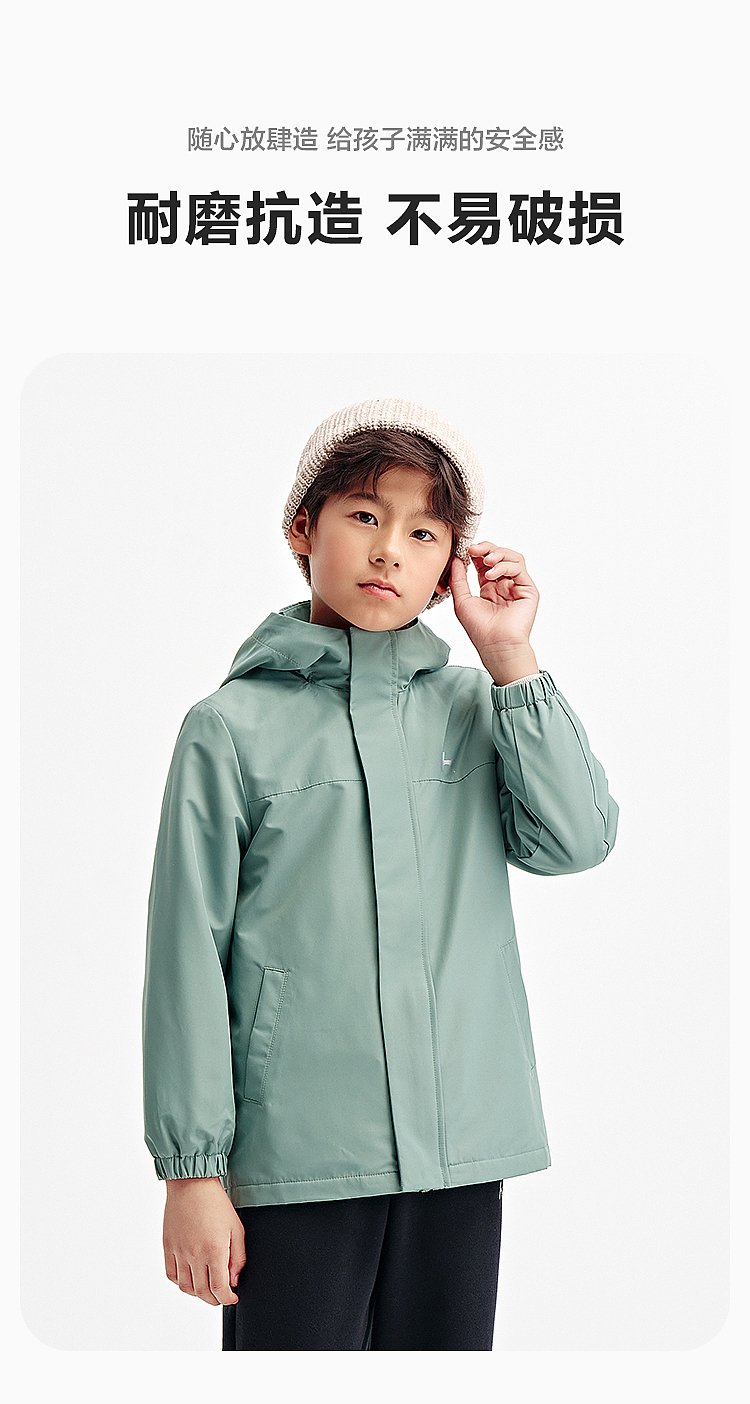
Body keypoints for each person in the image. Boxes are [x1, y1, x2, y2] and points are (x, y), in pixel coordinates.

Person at [142, 397, 619, 1350]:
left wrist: (512, 657)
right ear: (301, 528)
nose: (389, 549)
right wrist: (192, 1171)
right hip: (299, 1158)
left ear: (449, 566)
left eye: (423, 531)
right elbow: (186, 956)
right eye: (364, 514)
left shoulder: (478, 707)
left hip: (460, 1151)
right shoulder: (230, 729)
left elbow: (576, 839)